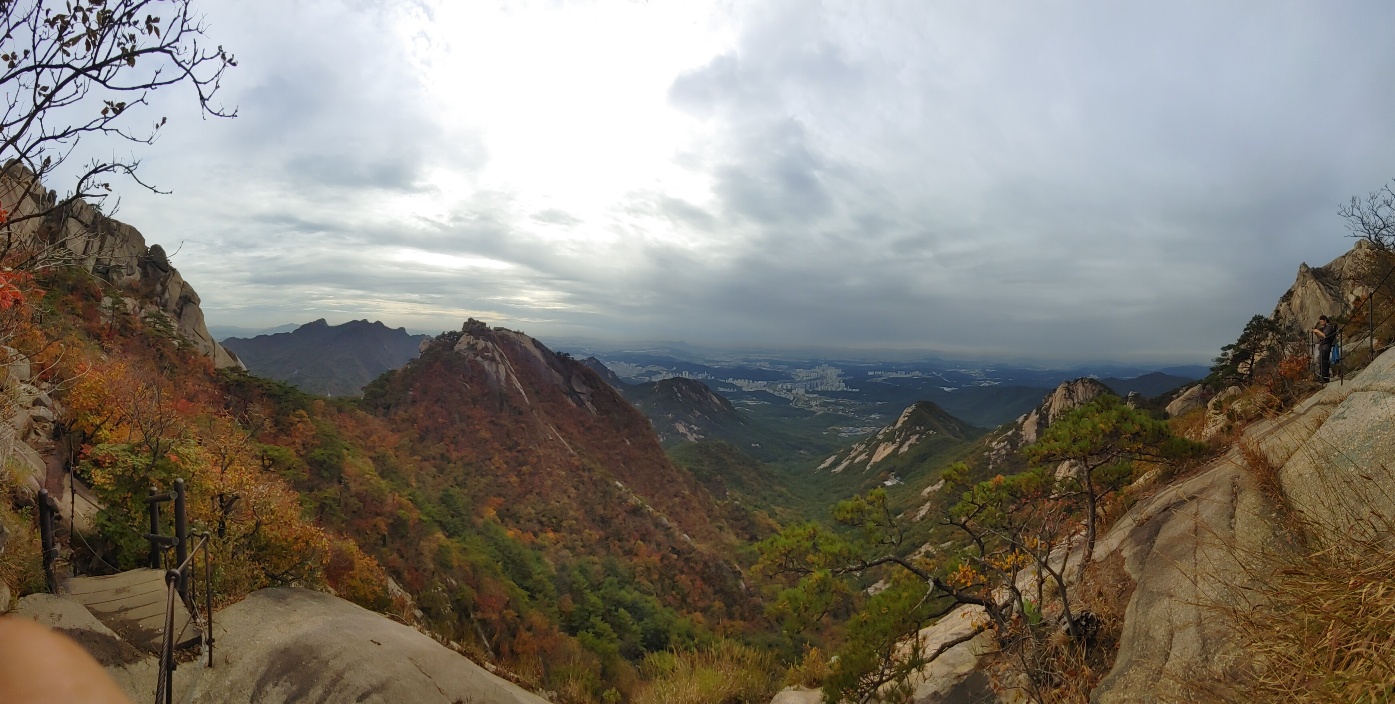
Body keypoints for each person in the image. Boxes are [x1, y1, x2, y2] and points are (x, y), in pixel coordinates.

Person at [1311, 315, 1337, 383]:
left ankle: (1325, 377)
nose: (1321, 323)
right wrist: (1316, 333)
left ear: (1325, 320)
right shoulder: (1325, 328)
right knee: (1322, 362)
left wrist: (1318, 331)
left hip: (1326, 347)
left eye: (1321, 321)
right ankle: (1322, 376)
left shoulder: (1329, 327)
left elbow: (1325, 335)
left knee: (1324, 362)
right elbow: (1321, 337)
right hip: (1323, 347)